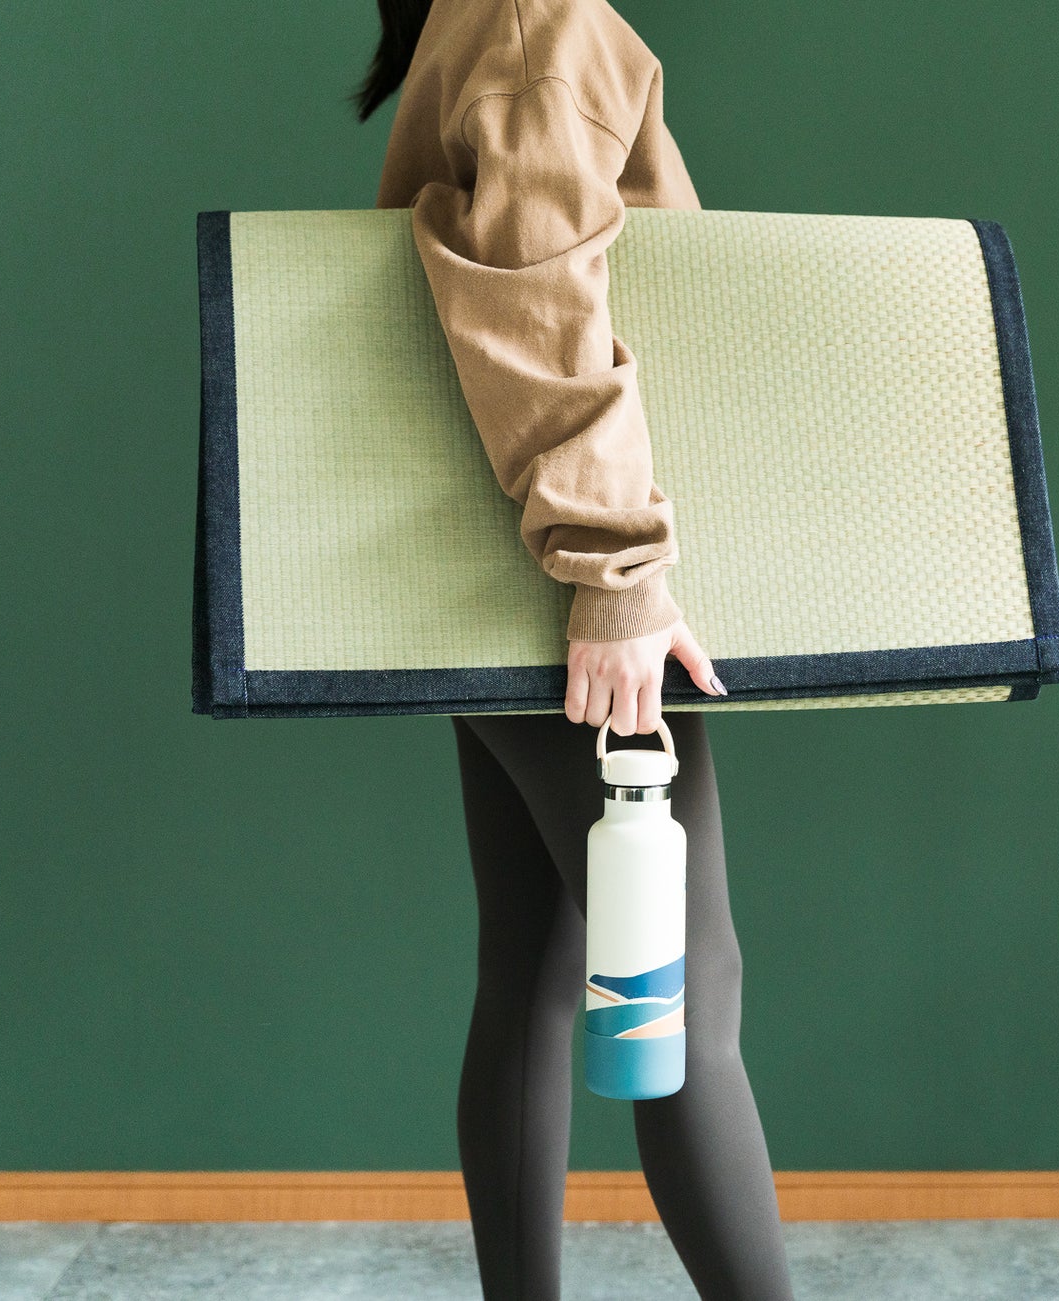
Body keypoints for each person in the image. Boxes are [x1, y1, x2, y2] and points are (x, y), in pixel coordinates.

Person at [352, 2, 799, 1298]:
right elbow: (533, 297)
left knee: (534, 974)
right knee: (685, 997)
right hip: (570, 598)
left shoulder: (487, 16)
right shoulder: (535, 19)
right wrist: (615, 574)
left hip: (487, 577)